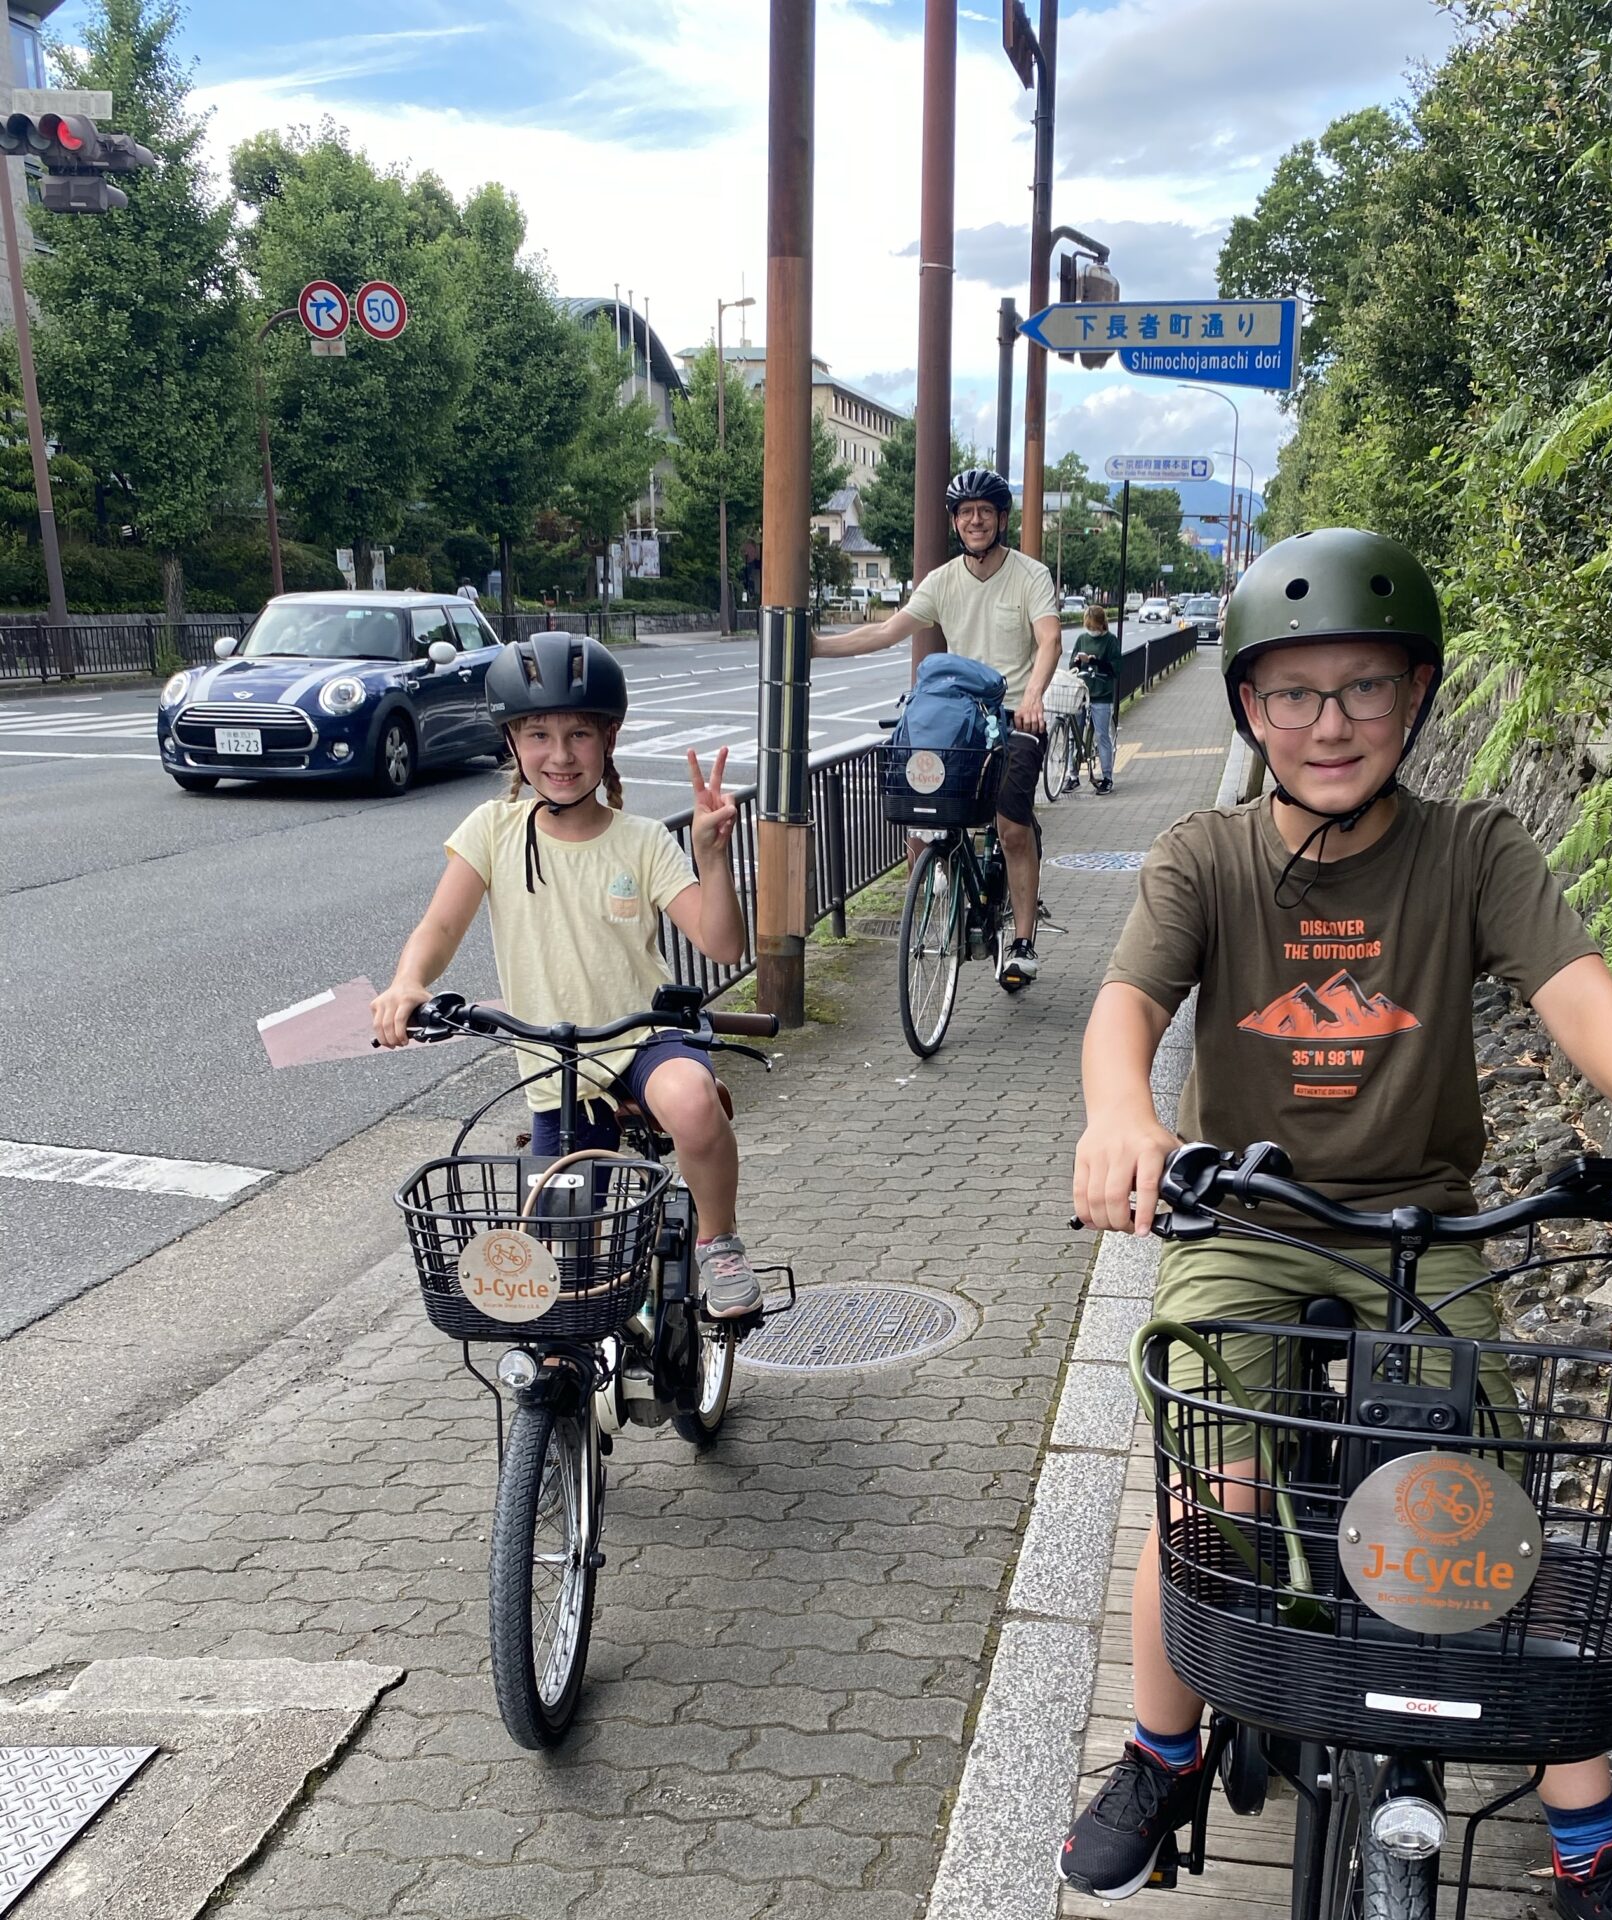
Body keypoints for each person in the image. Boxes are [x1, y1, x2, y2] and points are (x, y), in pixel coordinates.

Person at [1061, 525, 1612, 1920]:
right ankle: (1163, 1748)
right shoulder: (1205, 857)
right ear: (1248, 708)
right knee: (1216, 1480)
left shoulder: (1473, 852)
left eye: (1366, 688)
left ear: (1419, 695)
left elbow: (1578, 993)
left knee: (1475, 1504)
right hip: (1246, 1216)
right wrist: (1123, 1115)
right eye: (1295, 692)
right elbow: (1126, 1005)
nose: (1330, 723)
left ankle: (1588, 1846)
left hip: (1427, 1224)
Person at [371, 631, 764, 1321]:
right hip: (556, 1066)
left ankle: (718, 1242)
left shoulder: (641, 840)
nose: (559, 755)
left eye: (579, 734)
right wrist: (409, 981)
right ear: (512, 742)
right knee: (561, 1280)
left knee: (694, 1104)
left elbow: (722, 943)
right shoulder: (493, 830)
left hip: (643, 1038)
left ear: (608, 740)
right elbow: (440, 927)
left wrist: (712, 856)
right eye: (538, 735)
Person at [813, 466, 1060, 990]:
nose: (976, 520)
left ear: (1001, 519)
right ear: (955, 521)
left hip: (1015, 716)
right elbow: (886, 631)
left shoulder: (1030, 575)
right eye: (966, 512)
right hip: (959, 722)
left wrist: (1034, 695)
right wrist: (813, 648)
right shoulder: (943, 580)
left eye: (985, 511)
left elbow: (1049, 640)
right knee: (920, 814)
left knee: (1011, 827)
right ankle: (940, 882)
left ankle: (1022, 942)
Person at [1068, 604, 1121, 792]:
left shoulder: (1110, 641)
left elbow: (1115, 668)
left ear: (1101, 624)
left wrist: (1094, 661)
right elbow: (1072, 665)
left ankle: (1107, 777)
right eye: (1088, 626)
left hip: (1102, 694)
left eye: (1094, 626)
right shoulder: (1082, 639)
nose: (1091, 630)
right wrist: (1077, 662)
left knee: (1102, 736)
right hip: (1082, 693)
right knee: (1074, 734)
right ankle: (1072, 775)